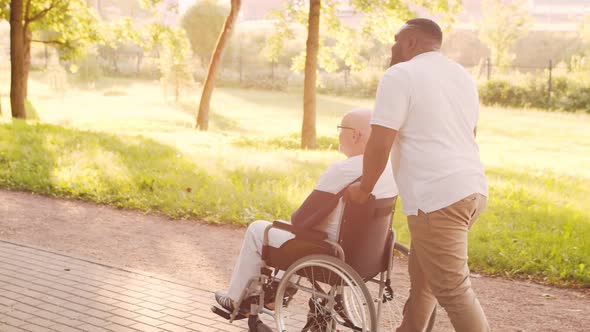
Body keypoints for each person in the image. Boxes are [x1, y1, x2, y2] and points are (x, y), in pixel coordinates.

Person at [345, 18, 490, 332]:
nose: (392, 48)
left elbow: (380, 141)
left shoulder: (400, 74)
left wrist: (364, 188)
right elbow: (470, 134)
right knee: (424, 285)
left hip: (438, 199)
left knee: (453, 291)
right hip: (472, 190)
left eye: (396, 41)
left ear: (411, 41)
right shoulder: (462, 76)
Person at [214, 109, 398, 312]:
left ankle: (236, 299)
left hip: (331, 252)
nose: (338, 134)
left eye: (340, 129)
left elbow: (301, 219)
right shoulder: (389, 169)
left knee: (260, 229)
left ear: (355, 135)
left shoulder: (342, 171)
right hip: (368, 256)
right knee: (295, 233)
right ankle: (276, 293)